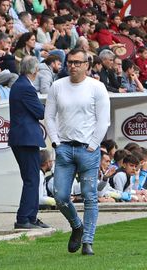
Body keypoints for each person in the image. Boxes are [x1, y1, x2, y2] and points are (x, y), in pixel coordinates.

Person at [45, 48, 110, 256]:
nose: (72, 66)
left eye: (77, 62)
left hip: (87, 149)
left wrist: (93, 144)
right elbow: (49, 117)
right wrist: (55, 142)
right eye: (70, 62)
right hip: (64, 147)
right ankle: (76, 225)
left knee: (90, 196)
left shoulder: (97, 87)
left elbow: (103, 120)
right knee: (61, 196)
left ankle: (87, 241)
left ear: (87, 66)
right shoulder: (57, 86)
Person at [8, 56, 49, 230]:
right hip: (25, 138)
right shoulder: (25, 88)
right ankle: (24, 217)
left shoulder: (20, 85)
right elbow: (40, 112)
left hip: (23, 138)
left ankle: (30, 217)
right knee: (32, 179)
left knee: (32, 179)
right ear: (34, 71)